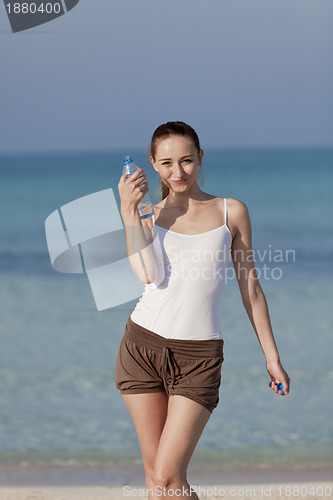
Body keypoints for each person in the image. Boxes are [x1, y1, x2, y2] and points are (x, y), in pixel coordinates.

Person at [116, 121, 290, 500]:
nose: (177, 172)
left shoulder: (231, 212)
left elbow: (252, 289)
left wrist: (272, 357)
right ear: (152, 164)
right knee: (154, 479)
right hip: (141, 347)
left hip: (199, 356)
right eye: (166, 163)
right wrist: (129, 212)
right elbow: (148, 275)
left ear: (200, 158)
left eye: (186, 161)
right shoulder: (147, 213)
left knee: (167, 477)